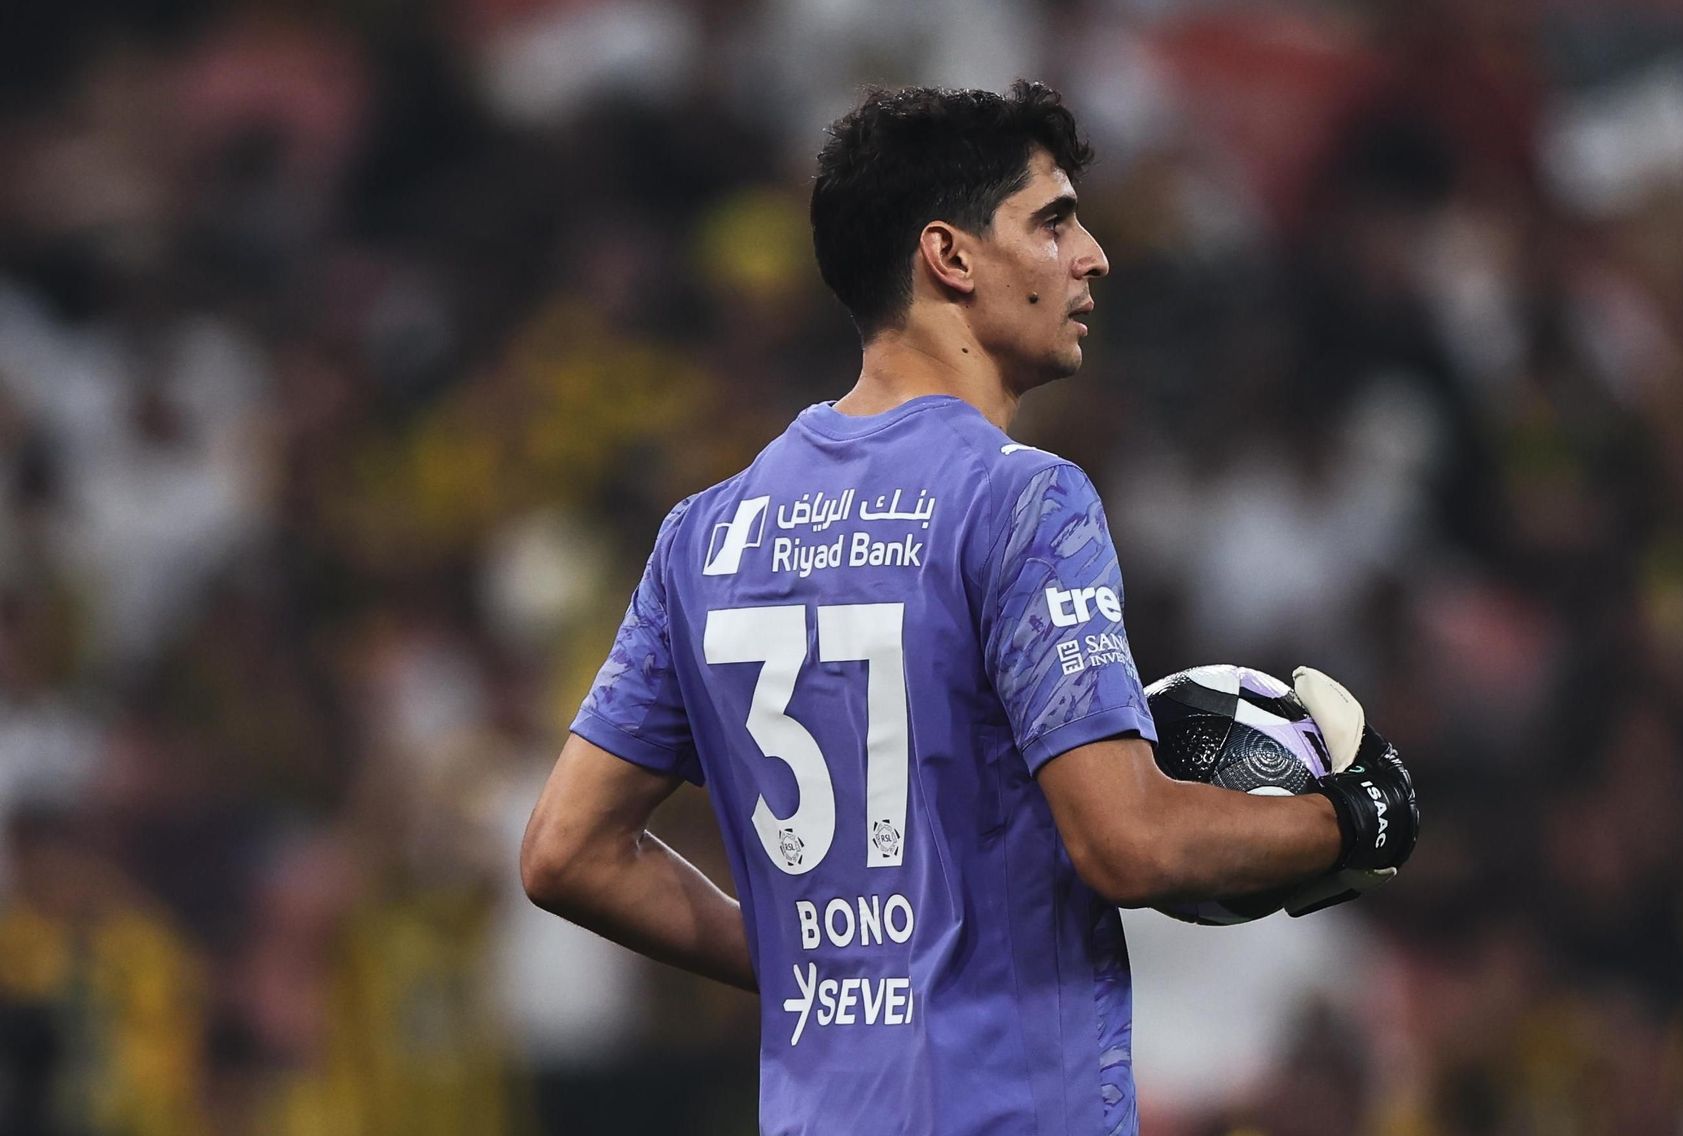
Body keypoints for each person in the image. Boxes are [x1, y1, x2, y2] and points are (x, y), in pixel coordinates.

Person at [520, 80, 1418, 1136]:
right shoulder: (1021, 499)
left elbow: (565, 850)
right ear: (949, 257)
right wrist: (1348, 816)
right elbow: (1126, 842)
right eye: (1051, 221)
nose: (1092, 256)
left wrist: (825, 967)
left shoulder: (705, 532)